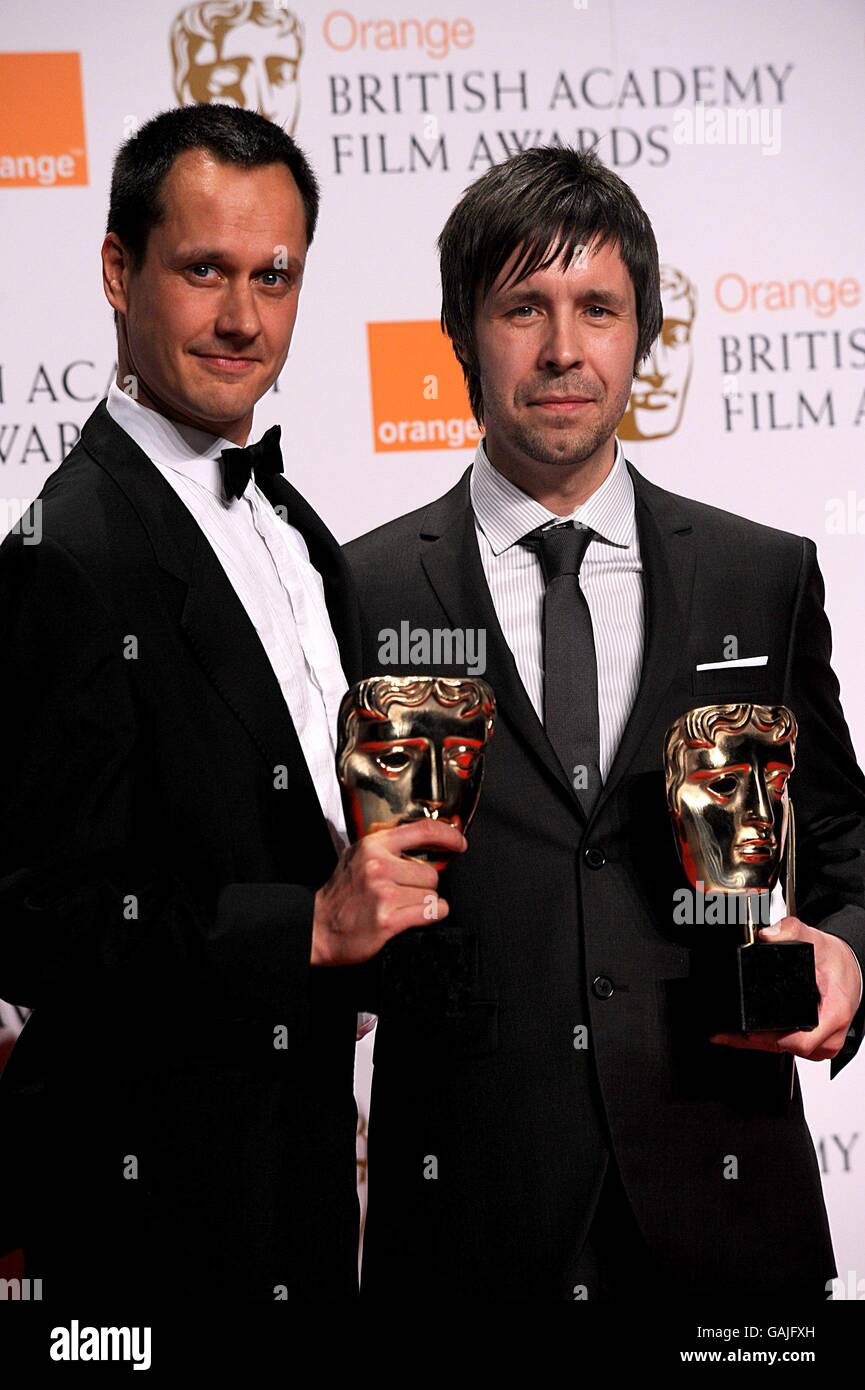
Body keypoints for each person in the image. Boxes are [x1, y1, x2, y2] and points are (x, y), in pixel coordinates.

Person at [344, 146, 865, 1301]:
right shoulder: (358, 590)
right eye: (523, 306)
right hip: (469, 1221)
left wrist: (847, 952)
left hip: (728, 1209)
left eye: (598, 308)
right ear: (460, 338)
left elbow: (848, 856)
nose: (564, 348)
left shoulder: (761, 573)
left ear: (644, 332)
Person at [0, 103, 463, 1304]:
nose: (245, 317)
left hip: (302, 1174)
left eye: (275, 275)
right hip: (146, 1217)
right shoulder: (67, 551)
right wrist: (301, 927)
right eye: (204, 269)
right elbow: (37, 921)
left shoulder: (297, 529)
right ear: (118, 269)